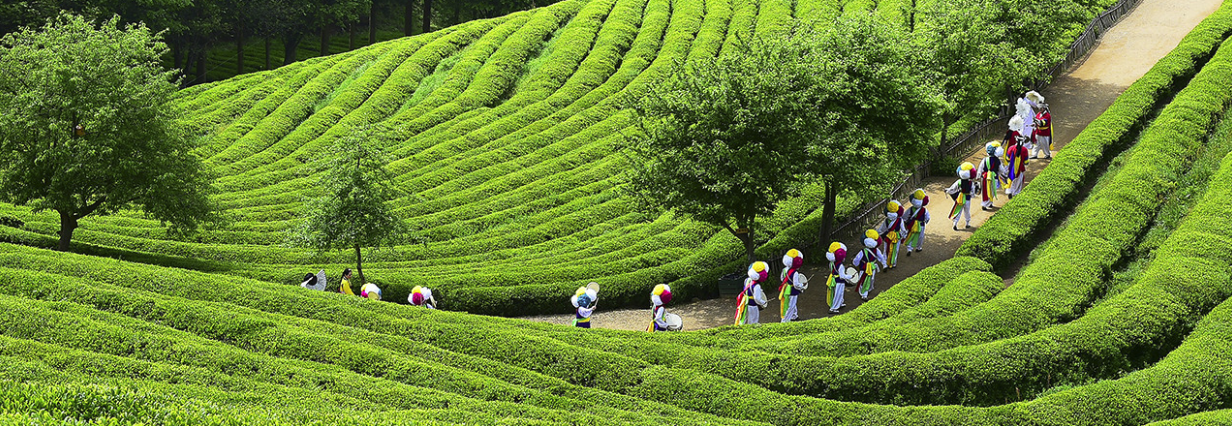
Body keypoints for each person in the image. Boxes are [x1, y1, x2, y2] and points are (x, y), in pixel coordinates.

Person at [852, 229, 887, 301]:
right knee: (865, 278)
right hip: (866, 267)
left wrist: (856, 264)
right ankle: (864, 294)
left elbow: (857, 259)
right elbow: (881, 257)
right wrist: (884, 264)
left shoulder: (872, 251)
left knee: (869, 278)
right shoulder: (869, 251)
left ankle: (867, 289)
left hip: (869, 266)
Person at [946, 162, 977, 230]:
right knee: (967, 211)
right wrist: (972, 195)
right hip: (967, 198)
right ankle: (967, 223)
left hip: (960, 198)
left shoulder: (959, 181)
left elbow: (953, 188)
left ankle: (955, 223)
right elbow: (973, 191)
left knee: (958, 211)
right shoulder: (971, 183)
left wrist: (947, 190)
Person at [977, 142, 1007, 211]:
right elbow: (1001, 170)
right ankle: (988, 203)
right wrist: (1001, 174)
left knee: (985, 191)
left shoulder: (984, 160)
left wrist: (978, 176)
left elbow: (980, 169)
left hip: (985, 177)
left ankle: (986, 203)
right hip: (994, 177)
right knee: (992, 191)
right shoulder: (997, 160)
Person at [778, 249, 806, 323]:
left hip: (785, 288)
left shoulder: (784, 270)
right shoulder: (795, 273)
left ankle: (794, 316)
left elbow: (781, 279)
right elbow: (796, 284)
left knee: (789, 303)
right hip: (792, 290)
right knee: (791, 305)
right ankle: (785, 320)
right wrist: (802, 286)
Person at [825, 242, 854, 314]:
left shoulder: (831, 263)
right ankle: (833, 308)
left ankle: (840, 303)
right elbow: (842, 276)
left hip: (833, 279)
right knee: (838, 293)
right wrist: (850, 276)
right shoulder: (840, 266)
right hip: (839, 281)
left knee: (838, 293)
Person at [878, 201, 906, 269]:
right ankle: (893, 263)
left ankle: (885, 263)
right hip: (896, 236)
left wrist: (877, 234)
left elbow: (882, 229)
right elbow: (903, 230)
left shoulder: (887, 220)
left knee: (886, 249)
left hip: (888, 236)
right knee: (895, 250)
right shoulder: (900, 220)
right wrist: (903, 236)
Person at [904, 189, 930, 254]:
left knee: (910, 235)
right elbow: (927, 217)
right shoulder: (924, 210)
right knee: (920, 236)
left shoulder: (910, 209)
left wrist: (905, 222)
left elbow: (905, 216)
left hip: (912, 224)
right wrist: (926, 221)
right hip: (921, 225)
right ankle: (919, 247)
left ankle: (909, 249)